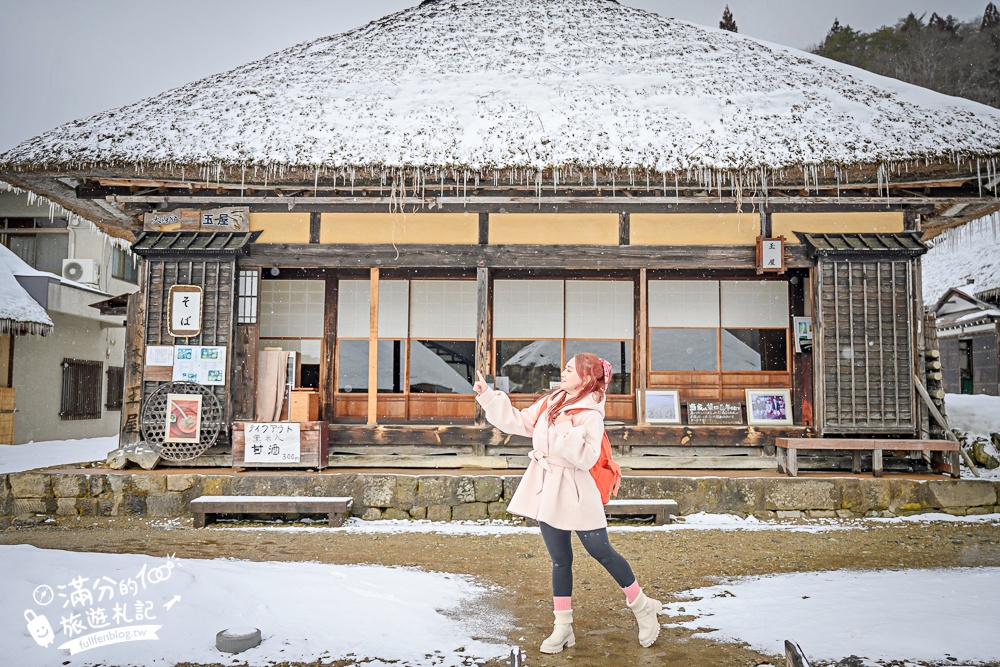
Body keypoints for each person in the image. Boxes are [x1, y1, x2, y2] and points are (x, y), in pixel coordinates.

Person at [472, 353, 662, 653]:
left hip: (577, 491)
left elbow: (586, 458)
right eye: (564, 367)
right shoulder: (553, 400)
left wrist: (564, 428)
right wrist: (488, 396)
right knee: (560, 560)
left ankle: (642, 606)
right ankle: (563, 627)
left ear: (586, 377)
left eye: (570, 369)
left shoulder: (591, 413)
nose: (563, 372)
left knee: (602, 552)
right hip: (548, 486)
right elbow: (520, 421)